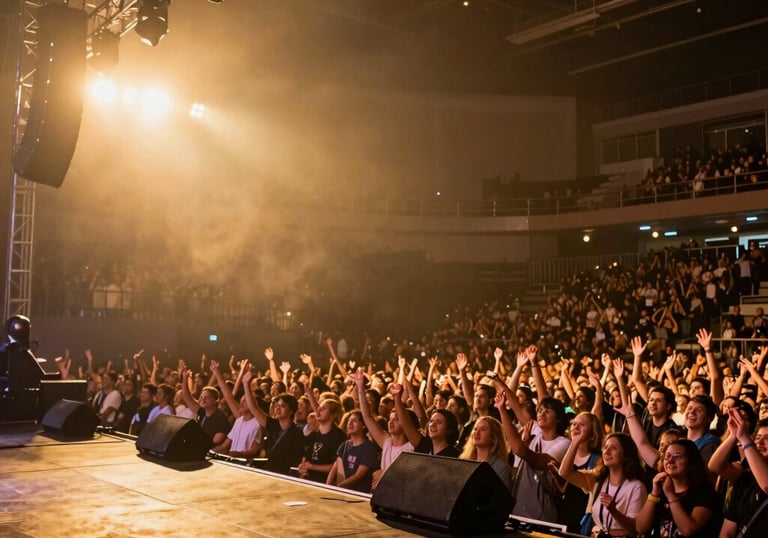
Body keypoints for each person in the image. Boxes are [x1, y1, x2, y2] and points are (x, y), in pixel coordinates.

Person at [558, 433, 647, 538]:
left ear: (626, 454)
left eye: (613, 448)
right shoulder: (597, 480)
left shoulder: (636, 487)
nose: (607, 451)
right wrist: (575, 442)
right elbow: (564, 473)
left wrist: (614, 511)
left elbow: (635, 529)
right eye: (605, 447)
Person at [636, 439, 721, 538]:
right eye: (667, 456)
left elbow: (688, 530)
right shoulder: (660, 489)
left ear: (691, 461)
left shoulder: (705, 492)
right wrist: (654, 494)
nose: (670, 461)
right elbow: (640, 528)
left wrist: (670, 495)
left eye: (677, 456)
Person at [708, 407, 765, 538]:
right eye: (758, 437)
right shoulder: (745, 474)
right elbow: (715, 466)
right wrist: (734, 435)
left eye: (767, 438)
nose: (761, 442)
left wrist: (744, 438)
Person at [353, 368, 414, 489]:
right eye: (390, 418)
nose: (391, 421)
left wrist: (385, 475)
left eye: (396, 419)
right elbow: (367, 416)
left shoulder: (411, 448)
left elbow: (408, 479)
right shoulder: (387, 442)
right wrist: (360, 387)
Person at [242, 368, 304, 475]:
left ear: (291, 411)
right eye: (277, 405)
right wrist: (246, 384)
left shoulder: (296, 433)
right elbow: (253, 408)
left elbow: (296, 462)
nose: (277, 409)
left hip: (286, 477)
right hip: (269, 473)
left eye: (283, 406)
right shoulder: (273, 425)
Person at [209, 360, 262, 458]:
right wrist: (208, 452)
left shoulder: (257, 424)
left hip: (245, 465)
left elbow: (254, 451)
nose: (241, 403)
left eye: (245, 401)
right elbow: (224, 446)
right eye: (241, 400)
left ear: (253, 404)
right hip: (233, 462)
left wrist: (238, 454)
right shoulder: (238, 421)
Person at [327, 410, 379, 492]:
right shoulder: (344, 445)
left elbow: (359, 475)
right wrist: (327, 487)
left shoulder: (369, 447)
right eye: (349, 421)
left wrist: (339, 486)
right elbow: (334, 469)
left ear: (363, 425)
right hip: (342, 491)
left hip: (358, 493)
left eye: (354, 421)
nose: (350, 423)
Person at [459, 415, 513, 491]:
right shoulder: (464, 461)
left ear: (494, 438)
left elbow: (502, 499)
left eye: (483, 429)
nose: (477, 432)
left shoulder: (500, 467)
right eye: (475, 429)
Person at [298, 398, 346, 483]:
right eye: (319, 407)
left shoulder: (338, 436)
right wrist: (303, 468)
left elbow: (336, 466)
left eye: (324, 408)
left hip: (325, 482)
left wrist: (312, 467)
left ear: (333, 415)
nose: (318, 410)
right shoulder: (313, 435)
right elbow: (306, 458)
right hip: (309, 480)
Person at [180, 367, 229, 446]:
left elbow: (217, 441)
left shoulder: (220, 418)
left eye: (207, 397)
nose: (202, 400)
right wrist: (185, 377)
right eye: (201, 397)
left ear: (215, 400)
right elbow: (187, 397)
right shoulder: (202, 412)